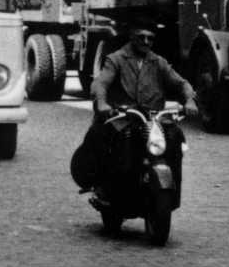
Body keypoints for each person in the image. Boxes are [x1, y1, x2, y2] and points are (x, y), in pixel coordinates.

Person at [73, 26, 198, 194]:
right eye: (141, 37)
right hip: (123, 117)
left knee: (174, 137)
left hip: (152, 119)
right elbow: (100, 83)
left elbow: (181, 83)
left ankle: (172, 195)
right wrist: (102, 103)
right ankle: (104, 186)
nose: (146, 42)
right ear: (132, 36)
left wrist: (190, 100)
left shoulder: (158, 61)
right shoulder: (116, 59)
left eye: (150, 38)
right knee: (114, 139)